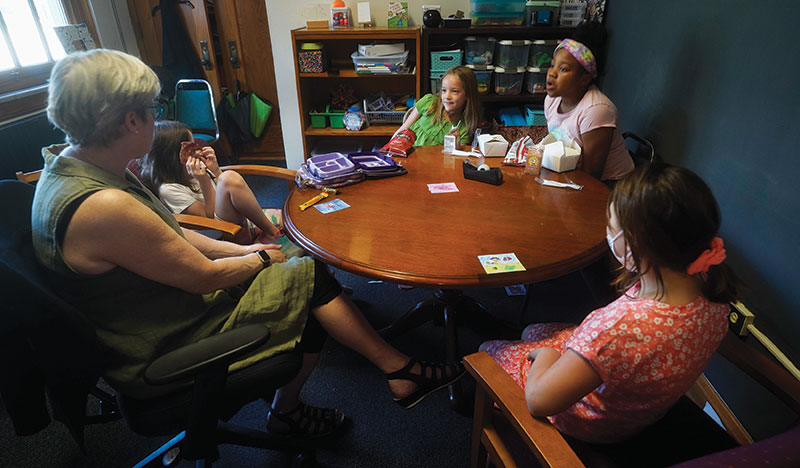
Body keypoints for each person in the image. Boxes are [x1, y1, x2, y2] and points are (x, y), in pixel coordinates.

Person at [32, 49, 464, 439]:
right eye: (151, 109)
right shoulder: (104, 204)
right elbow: (202, 279)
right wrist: (261, 258)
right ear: (130, 121)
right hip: (167, 346)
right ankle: (396, 371)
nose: (154, 116)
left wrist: (243, 251)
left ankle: (324, 396)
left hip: (158, 311)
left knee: (297, 267)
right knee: (303, 270)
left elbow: (173, 235)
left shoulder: (78, 168)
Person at [479, 163, 740, 444]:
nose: (607, 231)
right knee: (532, 331)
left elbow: (539, 401)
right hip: (634, 410)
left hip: (586, 424)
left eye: (611, 226)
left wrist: (546, 357)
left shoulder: (617, 327)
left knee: (487, 348)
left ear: (636, 245)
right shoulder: (713, 291)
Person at [139, 120, 280, 244]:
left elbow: (226, 190)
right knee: (229, 177)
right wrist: (204, 181)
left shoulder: (194, 170)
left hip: (237, 218)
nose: (196, 149)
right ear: (174, 155)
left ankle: (262, 228)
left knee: (227, 178)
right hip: (221, 232)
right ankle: (271, 232)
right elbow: (208, 219)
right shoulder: (169, 189)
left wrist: (216, 170)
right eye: (190, 145)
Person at [543, 21, 634, 182]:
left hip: (611, 186)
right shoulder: (551, 101)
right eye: (552, 66)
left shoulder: (596, 110)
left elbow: (592, 174)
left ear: (584, 79)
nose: (552, 73)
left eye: (563, 69)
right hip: (571, 174)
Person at [392, 65, 480, 147]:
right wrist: (390, 149)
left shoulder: (464, 128)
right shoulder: (429, 102)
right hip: (407, 155)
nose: (447, 96)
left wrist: (456, 143)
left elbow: (454, 158)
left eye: (454, 91)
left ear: (468, 94)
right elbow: (403, 129)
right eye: (444, 90)